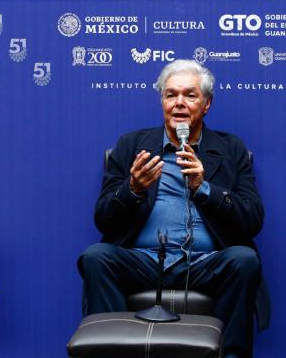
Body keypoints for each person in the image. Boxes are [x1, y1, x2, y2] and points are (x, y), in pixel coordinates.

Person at [78, 60, 269, 358]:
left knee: (243, 259)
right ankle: (111, 351)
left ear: (206, 104)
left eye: (190, 95)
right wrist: (133, 189)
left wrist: (204, 188)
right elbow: (104, 218)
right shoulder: (131, 146)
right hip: (143, 261)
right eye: (171, 95)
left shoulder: (231, 150)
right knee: (96, 257)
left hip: (206, 263)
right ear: (162, 101)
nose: (179, 103)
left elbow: (252, 219)